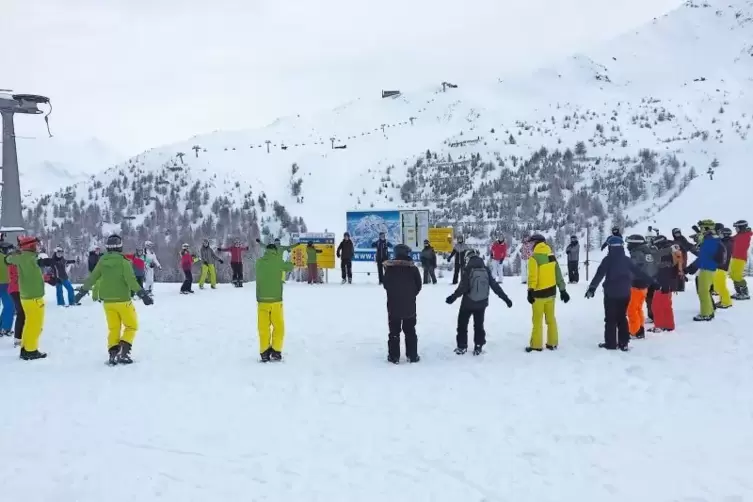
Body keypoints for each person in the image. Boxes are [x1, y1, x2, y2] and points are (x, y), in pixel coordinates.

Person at [74, 234, 154, 365]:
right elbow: (131, 281)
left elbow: (92, 278)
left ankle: (112, 355)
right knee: (132, 326)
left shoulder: (102, 261)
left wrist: (81, 292)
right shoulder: (124, 262)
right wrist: (144, 295)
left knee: (114, 328)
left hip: (108, 302)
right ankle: (123, 352)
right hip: (123, 300)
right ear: (120, 246)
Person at [586, 236, 655, 351]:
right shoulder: (627, 260)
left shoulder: (607, 260)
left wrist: (592, 288)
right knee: (622, 317)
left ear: (610, 247)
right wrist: (653, 282)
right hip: (625, 293)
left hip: (611, 294)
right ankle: (624, 343)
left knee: (610, 319)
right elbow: (639, 273)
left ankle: (611, 343)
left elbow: (599, 275)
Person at [446, 249, 512, 355]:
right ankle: (478, 346)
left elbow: (463, 287)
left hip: (468, 302)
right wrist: (506, 299)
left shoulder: (468, 269)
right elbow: (495, 286)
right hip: (482, 303)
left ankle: (462, 346)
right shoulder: (485, 269)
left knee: (462, 324)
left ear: (468, 258)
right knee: (479, 325)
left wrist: (452, 297)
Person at [5, 236, 54, 360]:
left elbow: (8, 259)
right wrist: (46, 262)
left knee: (28, 323)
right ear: (30, 246)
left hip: (25, 296)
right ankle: (31, 350)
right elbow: (39, 261)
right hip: (34, 298)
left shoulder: (20, 258)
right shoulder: (33, 257)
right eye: (36, 245)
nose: (38, 247)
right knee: (35, 325)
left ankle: (25, 348)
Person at [525, 234, 570, 352]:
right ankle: (552, 342)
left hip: (538, 295)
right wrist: (563, 290)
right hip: (551, 293)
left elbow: (532, 277)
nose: (529, 245)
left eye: (531, 243)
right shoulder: (551, 256)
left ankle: (536, 345)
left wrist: (530, 291)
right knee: (551, 319)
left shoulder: (534, 258)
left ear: (536, 243)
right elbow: (558, 273)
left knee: (537, 320)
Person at [382, 244, 422, 363]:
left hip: (393, 305)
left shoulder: (390, 268)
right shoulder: (413, 268)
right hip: (409, 306)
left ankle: (394, 357)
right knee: (410, 331)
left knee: (394, 332)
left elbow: (385, 285)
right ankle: (412, 356)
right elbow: (419, 286)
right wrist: (410, 295)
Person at [255, 243, 294, 362]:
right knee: (279, 327)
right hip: (276, 300)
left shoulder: (259, 262)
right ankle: (276, 350)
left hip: (262, 301)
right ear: (275, 251)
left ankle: (264, 352)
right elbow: (290, 266)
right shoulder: (278, 262)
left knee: (263, 328)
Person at [684, 220, 722, 321]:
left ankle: (705, 314)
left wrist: (690, 268)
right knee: (705, 291)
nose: (700, 230)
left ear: (706, 228)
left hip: (706, 268)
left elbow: (702, 258)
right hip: (710, 268)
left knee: (703, 292)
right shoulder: (713, 239)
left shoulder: (709, 241)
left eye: (701, 228)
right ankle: (709, 311)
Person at [625, 234, 658, 339]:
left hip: (636, 284)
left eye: (629, 243)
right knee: (638, 308)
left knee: (631, 309)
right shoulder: (648, 252)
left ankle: (634, 331)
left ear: (635, 244)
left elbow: (632, 269)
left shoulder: (637, 253)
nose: (628, 245)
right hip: (645, 284)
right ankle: (640, 329)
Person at [648, 235, 681, 332]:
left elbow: (664, 268)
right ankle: (669, 325)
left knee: (656, 305)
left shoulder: (665, 252)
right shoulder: (672, 250)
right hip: (670, 281)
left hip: (663, 282)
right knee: (666, 305)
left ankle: (659, 326)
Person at [729, 219, 751, 300]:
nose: (736, 229)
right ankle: (739, 292)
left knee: (737, 275)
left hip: (741, 258)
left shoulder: (746, 235)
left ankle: (745, 293)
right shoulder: (739, 235)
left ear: (741, 227)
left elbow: (732, 239)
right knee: (732, 275)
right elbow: (730, 239)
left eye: (737, 227)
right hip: (735, 257)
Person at [713, 227, 734, 309]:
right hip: (719, 266)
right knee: (718, 285)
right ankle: (723, 300)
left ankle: (726, 302)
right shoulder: (725, 242)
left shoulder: (727, 243)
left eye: (721, 234)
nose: (719, 235)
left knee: (721, 285)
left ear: (725, 235)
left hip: (722, 267)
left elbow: (719, 254)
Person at [671, 228, 695, 292]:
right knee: (678, 269)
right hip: (678, 256)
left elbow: (687, 245)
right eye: (676, 233)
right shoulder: (676, 240)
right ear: (673, 234)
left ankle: (681, 287)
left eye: (678, 233)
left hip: (683, 255)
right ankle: (679, 284)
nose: (678, 234)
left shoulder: (682, 239)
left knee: (681, 269)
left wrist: (692, 247)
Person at [8, 251, 23, 348]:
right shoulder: (15, 265)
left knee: (22, 313)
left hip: (18, 290)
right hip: (16, 290)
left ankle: (22, 335)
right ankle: (18, 339)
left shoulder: (15, 264)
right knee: (21, 313)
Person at [0, 242, 16, 336]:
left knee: (7, 307)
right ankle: (5, 328)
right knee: (10, 306)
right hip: (5, 284)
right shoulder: (7, 258)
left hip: (4, 284)